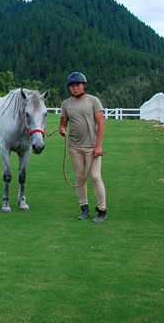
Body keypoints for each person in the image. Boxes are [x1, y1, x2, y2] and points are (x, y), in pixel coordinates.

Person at [58, 72, 107, 222]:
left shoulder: (93, 101)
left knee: (95, 176)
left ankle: (102, 210)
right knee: (79, 177)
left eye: (77, 85)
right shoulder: (66, 104)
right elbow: (63, 123)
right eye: (72, 86)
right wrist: (62, 130)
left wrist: (98, 146)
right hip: (74, 147)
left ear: (84, 85)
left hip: (92, 147)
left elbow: (101, 123)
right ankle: (84, 208)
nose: (75, 88)